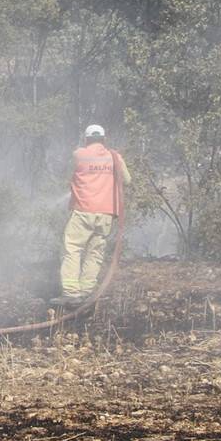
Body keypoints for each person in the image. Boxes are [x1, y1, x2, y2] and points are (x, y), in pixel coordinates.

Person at [55, 124, 131, 306]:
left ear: (87, 139)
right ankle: (87, 290)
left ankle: (72, 293)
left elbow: (67, 174)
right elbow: (127, 180)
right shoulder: (115, 157)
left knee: (72, 248)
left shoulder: (79, 154)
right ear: (104, 139)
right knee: (95, 252)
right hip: (106, 213)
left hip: (83, 210)